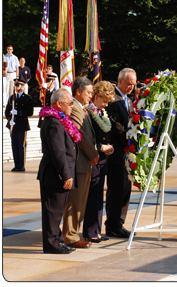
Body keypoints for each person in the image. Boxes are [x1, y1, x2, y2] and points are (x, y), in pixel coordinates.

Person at [37, 89, 82, 254]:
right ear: (58, 104)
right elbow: (58, 152)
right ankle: (51, 245)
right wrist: (66, 175)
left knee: (57, 210)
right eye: (69, 103)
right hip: (54, 174)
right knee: (52, 212)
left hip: (60, 173)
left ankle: (58, 241)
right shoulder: (53, 122)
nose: (71, 106)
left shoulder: (60, 120)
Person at [62, 77, 99, 248]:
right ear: (78, 91)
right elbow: (80, 135)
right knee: (75, 201)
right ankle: (70, 235)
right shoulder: (75, 108)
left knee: (80, 201)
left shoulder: (81, 107)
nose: (91, 96)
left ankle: (73, 232)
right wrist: (93, 154)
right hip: (79, 162)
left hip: (84, 162)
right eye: (89, 92)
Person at [105, 68, 137, 238]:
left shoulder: (128, 100)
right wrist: (133, 140)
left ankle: (120, 223)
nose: (132, 87)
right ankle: (112, 224)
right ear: (120, 81)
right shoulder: (113, 100)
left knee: (125, 190)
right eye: (129, 83)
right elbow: (116, 127)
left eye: (134, 84)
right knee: (116, 190)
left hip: (127, 154)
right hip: (117, 153)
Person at [83, 81, 115, 242]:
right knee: (92, 196)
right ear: (96, 97)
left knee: (98, 196)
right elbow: (88, 138)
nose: (106, 104)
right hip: (93, 158)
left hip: (102, 158)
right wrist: (102, 147)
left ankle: (97, 230)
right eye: (104, 101)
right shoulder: (88, 113)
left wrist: (109, 147)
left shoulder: (101, 112)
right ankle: (89, 231)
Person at [5, 78, 34, 171]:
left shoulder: (27, 98)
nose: (17, 87)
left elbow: (30, 112)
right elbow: (6, 111)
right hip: (14, 125)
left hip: (22, 125)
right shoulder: (11, 98)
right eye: (16, 85)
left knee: (21, 146)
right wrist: (10, 119)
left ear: (22, 86)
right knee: (14, 146)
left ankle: (21, 165)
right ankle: (16, 164)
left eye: (18, 85)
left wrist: (18, 112)